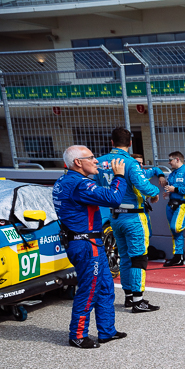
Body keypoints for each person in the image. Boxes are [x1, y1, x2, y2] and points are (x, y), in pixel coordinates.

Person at [53, 146, 128, 348]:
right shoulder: (79, 184)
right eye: (91, 158)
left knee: (105, 286)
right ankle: (77, 335)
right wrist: (119, 176)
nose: (96, 161)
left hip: (88, 242)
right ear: (78, 162)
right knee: (89, 290)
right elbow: (114, 198)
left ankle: (106, 331)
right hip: (86, 244)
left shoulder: (64, 180)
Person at [96, 127, 161, 313]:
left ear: (111, 142)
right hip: (134, 216)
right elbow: (143, 185)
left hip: (114, 216)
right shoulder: (130, 162)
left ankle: (128, 297)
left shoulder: (99, 162)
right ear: (130, 143)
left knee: (124, 256)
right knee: (139, 257)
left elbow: (99, 186)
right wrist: (155, 193)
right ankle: (138, 301)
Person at [162, 151, 185, 267]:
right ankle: (178, 256)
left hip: (183, 205)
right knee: (174, 232)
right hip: (171, 205)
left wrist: (175, 189)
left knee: (175, 227)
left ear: (177, 159)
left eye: (170, 160)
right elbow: (170, 188)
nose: (169, 162)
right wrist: (167, 193)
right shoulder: (171, 174)